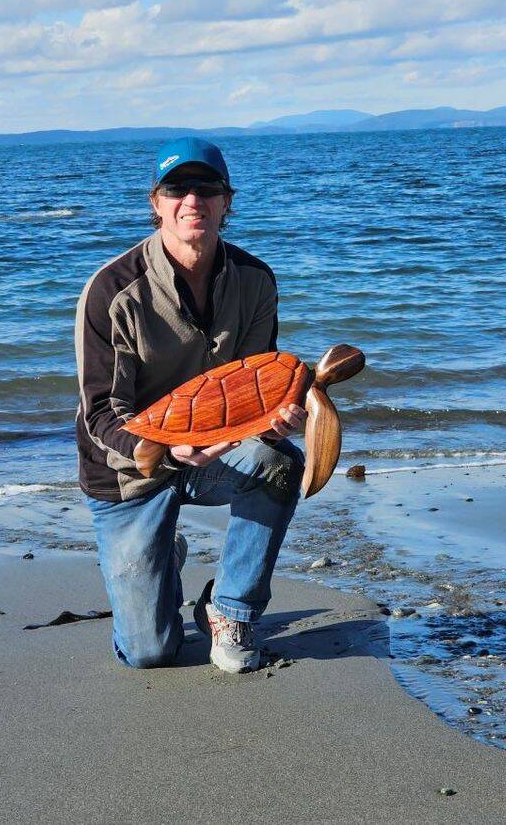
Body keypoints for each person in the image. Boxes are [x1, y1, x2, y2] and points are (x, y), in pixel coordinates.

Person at [75, 137, 306, 673]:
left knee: (279, 463)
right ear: (156, 202)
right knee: (149, 653)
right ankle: (164, 555)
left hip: (215, 454)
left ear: (227, 202)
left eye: (207, 188)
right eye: (177, 188)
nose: (192, 201)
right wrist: (167, 447)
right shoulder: (112, 291)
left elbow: (253, 390)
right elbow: (100, 413)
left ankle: (230, 610)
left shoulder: (255, 281)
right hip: (128, 471)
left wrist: (276, 421)